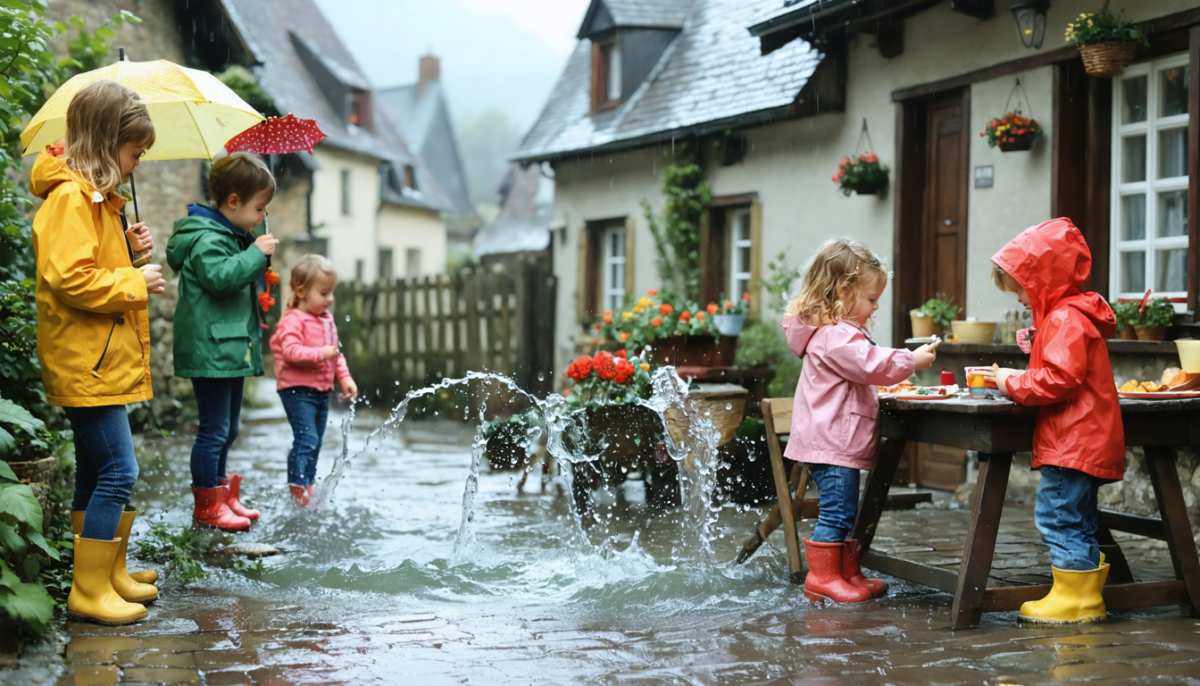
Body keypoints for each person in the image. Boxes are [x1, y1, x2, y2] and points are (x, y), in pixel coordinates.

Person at [31, 79, 164, 625]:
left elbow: (94, 265)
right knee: (118, 471)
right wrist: (134, 282)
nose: (137, 164)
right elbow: (69, 278)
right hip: (87, 360)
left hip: (99, 357)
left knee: (94, 471)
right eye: (134, 152)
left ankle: (108, 574)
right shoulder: (70, 198)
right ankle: (88, 591)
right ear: (106, 145)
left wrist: (128, 254)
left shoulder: (97, 199)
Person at [982, 218, 1124, 624]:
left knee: (1058, 517)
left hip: (1071, 440)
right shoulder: (1068, 315)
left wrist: (1011, 381)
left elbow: (1059, 379)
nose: (1021, 299)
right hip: (1084, 436)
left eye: (1021, 289)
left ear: (1043, 278)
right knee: (1079, 520)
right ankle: (1084, 597)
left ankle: (1076, 600)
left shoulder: (1064, 319)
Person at [782, 238, 939, 604]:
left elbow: (857, 374)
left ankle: (846, 573)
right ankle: (822, 579)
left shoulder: (832, 332)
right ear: (844, 292)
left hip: (833, 439)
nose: (876, 306)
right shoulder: (835, 335)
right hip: (831, 442)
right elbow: (869, 364)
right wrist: (910, 360)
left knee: (845, 510)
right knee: (837, 511)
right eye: (871, 298)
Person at [167, 152, 278, 531]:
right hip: (210, 350)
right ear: (233, 202)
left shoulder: (232, 236)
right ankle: (207, 507)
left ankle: (222, 496)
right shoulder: (206, 239)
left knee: (228, 429)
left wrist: (253, 253)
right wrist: (254, 254)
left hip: (227, 347)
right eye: (258, 208)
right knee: (212, 430)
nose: (262, 215)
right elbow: (220, 278)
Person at [269, 255, 357, 507]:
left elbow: (335, 354)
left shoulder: (327, 320)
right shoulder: (292, 319)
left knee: (316, 441)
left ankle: (308, 484)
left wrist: (344, 377)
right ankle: (297, 489)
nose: (330, 299)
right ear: (301, 291)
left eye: (331, 292)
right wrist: (320, 353)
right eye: (324, 293)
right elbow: (290, 352)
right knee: (306, 439)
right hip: (296, 390)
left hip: (320, 391)